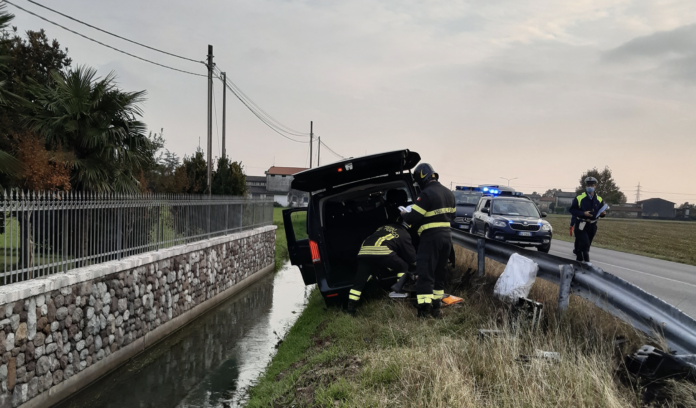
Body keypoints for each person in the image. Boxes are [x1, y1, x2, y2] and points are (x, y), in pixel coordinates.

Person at [401, 163, 455, 318]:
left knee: (425, 274)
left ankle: (423, 312)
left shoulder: (425, 194)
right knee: (440, 273)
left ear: (422, 179)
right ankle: (436, 309)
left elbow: (413, 217)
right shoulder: (449, 193)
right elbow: (453, 216)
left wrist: (404, 213)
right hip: (447, 238)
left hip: (430, 239)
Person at [345, 221, 416, 315]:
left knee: (359, 281)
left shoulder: (383, 227)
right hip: (381, 251)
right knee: (403, 266)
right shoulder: (404, 233)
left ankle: (351, 309)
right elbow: (411, 257)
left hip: (364, 252)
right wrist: (417, 264)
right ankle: (400, 293)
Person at [569, 177, 606, 262]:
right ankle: (587, 265)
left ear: (595, 186)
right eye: (588, 185)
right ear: (586, 186)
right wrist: (583, 213)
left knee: (586, 246)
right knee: (585, 245)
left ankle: (579, 262)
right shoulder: (579, 198)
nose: (590, 186)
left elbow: (601, 211)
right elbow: (572, 210)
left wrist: (603, 214)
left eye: (592, 185)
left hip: (592, 225)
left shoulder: (599, 199)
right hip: (581, 225)